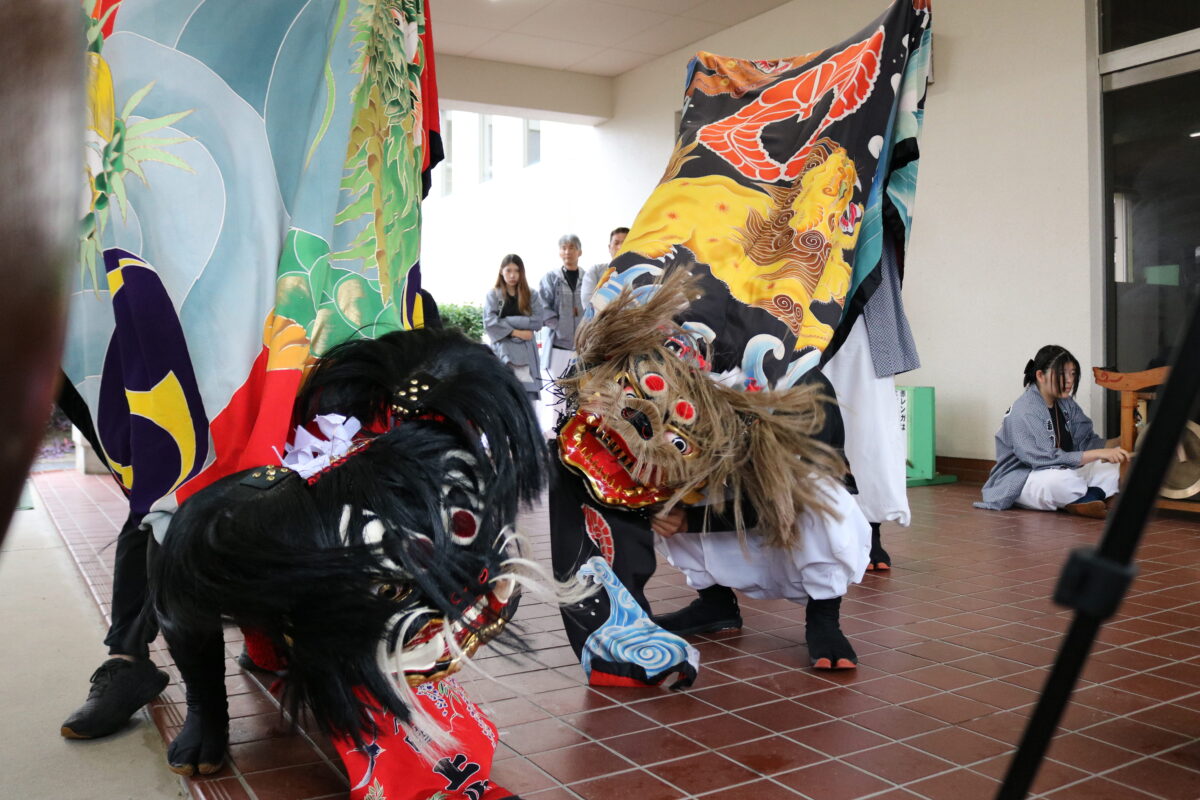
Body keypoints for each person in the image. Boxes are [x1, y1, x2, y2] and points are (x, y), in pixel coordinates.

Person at [976, 345, 1129, 518]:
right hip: (1026, 477)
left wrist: (1120, 442)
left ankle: (1083, 498)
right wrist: (1098, 453)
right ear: (1040, 375)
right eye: (1062, 373)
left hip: (1065, 469)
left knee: (1118, 464)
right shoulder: (1024, 410)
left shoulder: (1066, 404)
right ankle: (1090, 497)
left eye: (1073, 373)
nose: (1070, 380)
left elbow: (1086, 443)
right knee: (1058, 481)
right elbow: (1040, 458)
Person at [537, 234, 586, 429]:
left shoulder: (587, 277)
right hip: (558, 346)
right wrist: (558, 326)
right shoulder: (551, 278)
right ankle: (555, 435)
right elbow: (542, 306)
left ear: (579, 252)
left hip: (583, 348)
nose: (568, 252)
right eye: (564, 248)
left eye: (572, 248)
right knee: (557, 394)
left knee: (580, 394)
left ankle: (576, 434)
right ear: (559, 252)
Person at [483, 254, 544, 402]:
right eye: (508, 270)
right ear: (501, 271)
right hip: (503, 351)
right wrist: (516, 332)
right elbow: (490, 323)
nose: (512, 275)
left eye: (516, 271)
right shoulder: (493, 295)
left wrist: (505, 322)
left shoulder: (531, 294)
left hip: (526, 352)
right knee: (504, 397)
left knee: (527, 400)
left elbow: (537, 321)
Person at [581, 227, 629, 305]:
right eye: (616, 243)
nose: (620, 247)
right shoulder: (595, 272)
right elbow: (588, 305)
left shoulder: (644, 273)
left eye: (625, 243)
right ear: (609, 247)